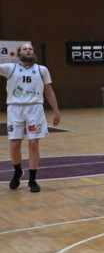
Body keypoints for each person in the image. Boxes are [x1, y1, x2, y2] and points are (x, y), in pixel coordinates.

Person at [1, 42, 60, 193]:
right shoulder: (10, 68)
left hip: (35, 108)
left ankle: (32, 180)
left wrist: (56, 111)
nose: (28, 51)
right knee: (15, 145)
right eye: (25, 49)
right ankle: (17, 171)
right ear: (18, 52)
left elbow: (49, 92)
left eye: (30, 49)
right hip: (15, 109)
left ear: (33, 52)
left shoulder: (42, 70)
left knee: (33, 143)